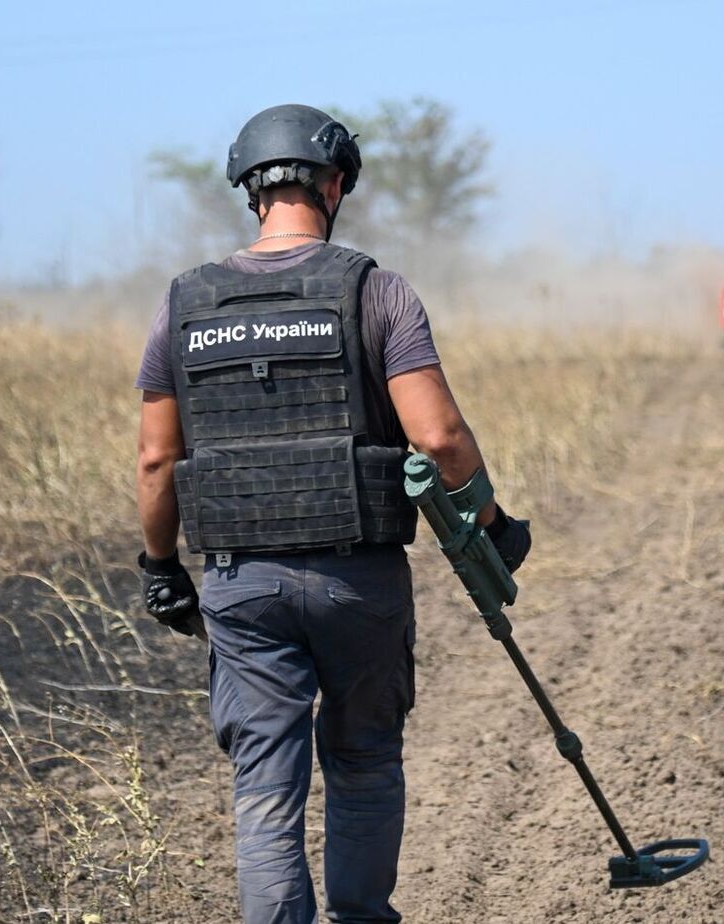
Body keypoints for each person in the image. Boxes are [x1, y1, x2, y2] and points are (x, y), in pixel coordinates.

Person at [133, 103, 530, 924]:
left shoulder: (183, 305)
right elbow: (441, 436)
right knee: (364, 762)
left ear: (250, 191)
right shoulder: (375, 292)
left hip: (241, 584)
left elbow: (154, 460)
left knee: (265, 785)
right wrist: (493, 526)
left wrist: (161, 566)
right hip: (361, 580)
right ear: (337, 184)